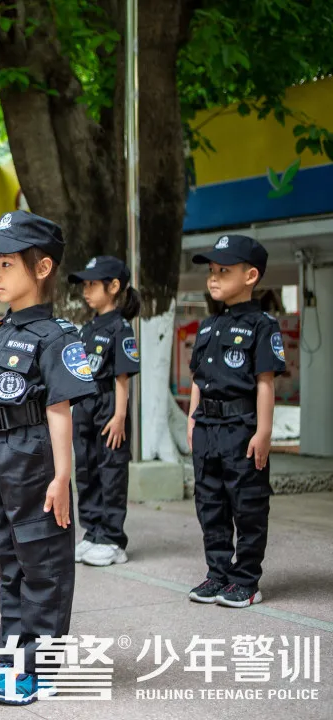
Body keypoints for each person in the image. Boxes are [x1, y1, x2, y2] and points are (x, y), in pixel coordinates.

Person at [0, 211, 96, 706]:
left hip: (35, 460)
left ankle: (41, 667)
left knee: (43, 561)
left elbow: (60, 409)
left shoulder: (57, 336)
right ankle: (11, 655)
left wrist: (63, 476)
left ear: (41, 268)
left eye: (6, 264)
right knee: (10, 561)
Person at [187, 235, 284, 608]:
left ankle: (246, 580)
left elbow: (265, 382)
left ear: (251, 275)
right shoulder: (208, 326)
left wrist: (264, 431)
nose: (214, 278)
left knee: (247, 504)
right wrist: (192, 420)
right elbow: (198, 377)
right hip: (207, 428)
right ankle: (218, 574)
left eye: (223, 271)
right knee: (209, 502)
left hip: (242, 428)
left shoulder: (263, 325)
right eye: (212, 271)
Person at [68, 256, 141, 567]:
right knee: (86, 472)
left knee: (110, 473)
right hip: (84, 407)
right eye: (85, 284)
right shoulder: (87, 328)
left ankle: (112, 539)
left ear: (114, 287)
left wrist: (120, 416)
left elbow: (121, 377)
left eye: (93, 284)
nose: (87, 290)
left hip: (109, 407)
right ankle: (93, 532)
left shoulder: (120, 328)